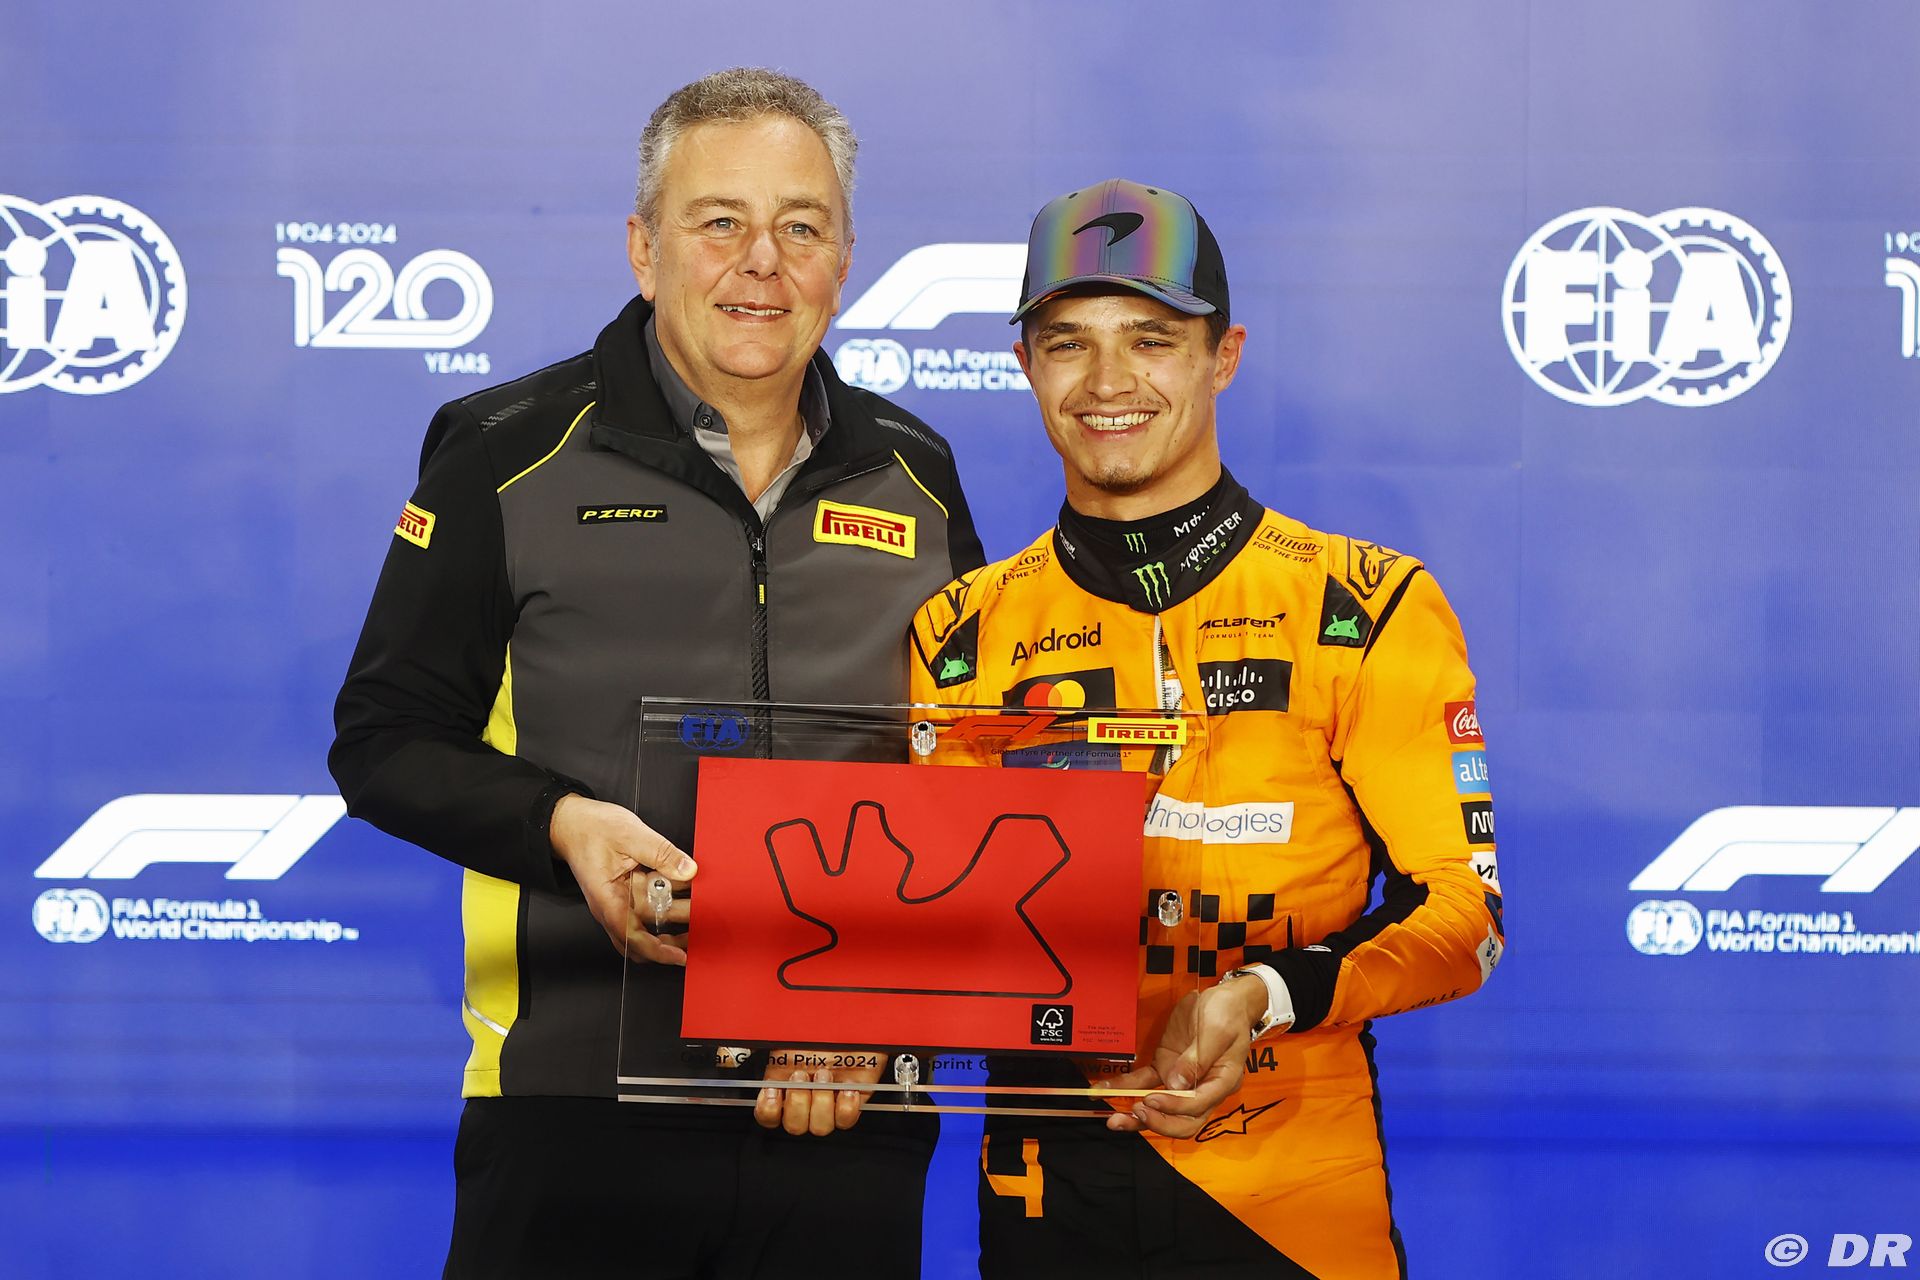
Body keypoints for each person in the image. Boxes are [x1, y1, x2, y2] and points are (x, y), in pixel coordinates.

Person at [330, 68, 982, 1279]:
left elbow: (970, 779)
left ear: (845, 260)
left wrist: (881, 1014)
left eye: (801, 226)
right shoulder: (503, 454)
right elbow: (383, 739)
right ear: (644, 247)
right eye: (719, 220)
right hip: (573, 1111)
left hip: (847, 1104)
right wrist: (561, 823)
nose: (762, 262)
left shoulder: (919, 474)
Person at [908, 179, 1504, 1278]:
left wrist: (1264, 994)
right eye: (1068, 343)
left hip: (1294, 1196)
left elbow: (1465, 914)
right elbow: (935, 921)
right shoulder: (960, 630)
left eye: (1152, 339)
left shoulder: (1364, 603)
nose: (1108, 382)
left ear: (1223, 356)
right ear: (1025, 364)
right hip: (1047, 1186)